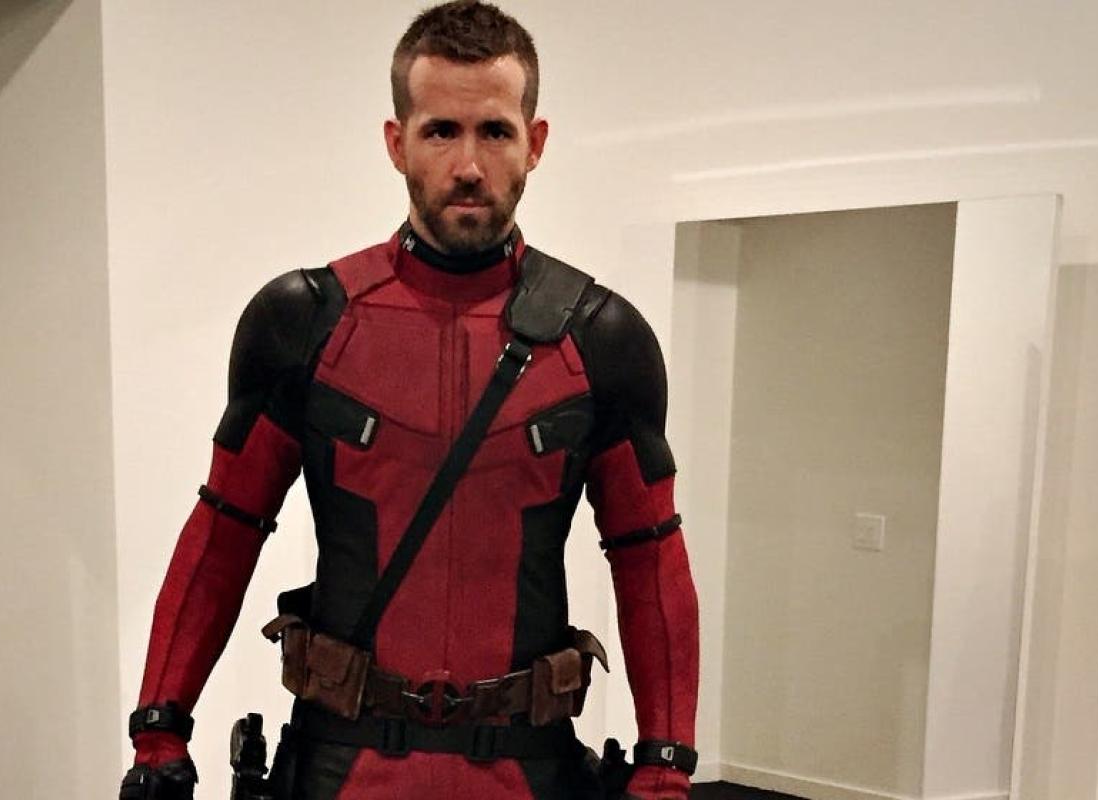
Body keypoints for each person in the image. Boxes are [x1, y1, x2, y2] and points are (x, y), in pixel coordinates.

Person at [117, 3, 699, 798]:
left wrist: (665, 766)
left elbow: (650, 557)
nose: (469, 165)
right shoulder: (302, 323)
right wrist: (159, 731)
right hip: (342, 768)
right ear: (397, 143)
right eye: (441, 131)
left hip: (528, 772)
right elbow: (224, 532)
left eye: (495, 131)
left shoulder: (602, 341)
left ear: (535, 142)